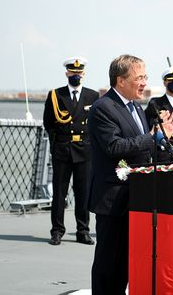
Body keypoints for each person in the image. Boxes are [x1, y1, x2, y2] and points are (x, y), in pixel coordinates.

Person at [87, 54, 173, 295]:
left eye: (145, 77)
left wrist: (161, 140)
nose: (144, 83)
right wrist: (153, 138)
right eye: (139, 78)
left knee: (125, 265)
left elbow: (142, 149)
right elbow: (114, 147)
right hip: (113, 199)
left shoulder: (136, 108)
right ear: (120, 81)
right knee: (108, 265)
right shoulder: (102, 108)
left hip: (137, 198)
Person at [43, 57, 99, 246]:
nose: (76, 75)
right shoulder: (56, 95)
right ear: (67, 73)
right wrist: (57, 143)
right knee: (59, 193)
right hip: (63, 150)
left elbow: (96, 124)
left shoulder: (93, 96)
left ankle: (83, 231)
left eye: (79, 72)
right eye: (72, 72)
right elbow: (48, 123)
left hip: (84, 150)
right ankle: (57, 231)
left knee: (83, 193)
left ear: (83, 74)